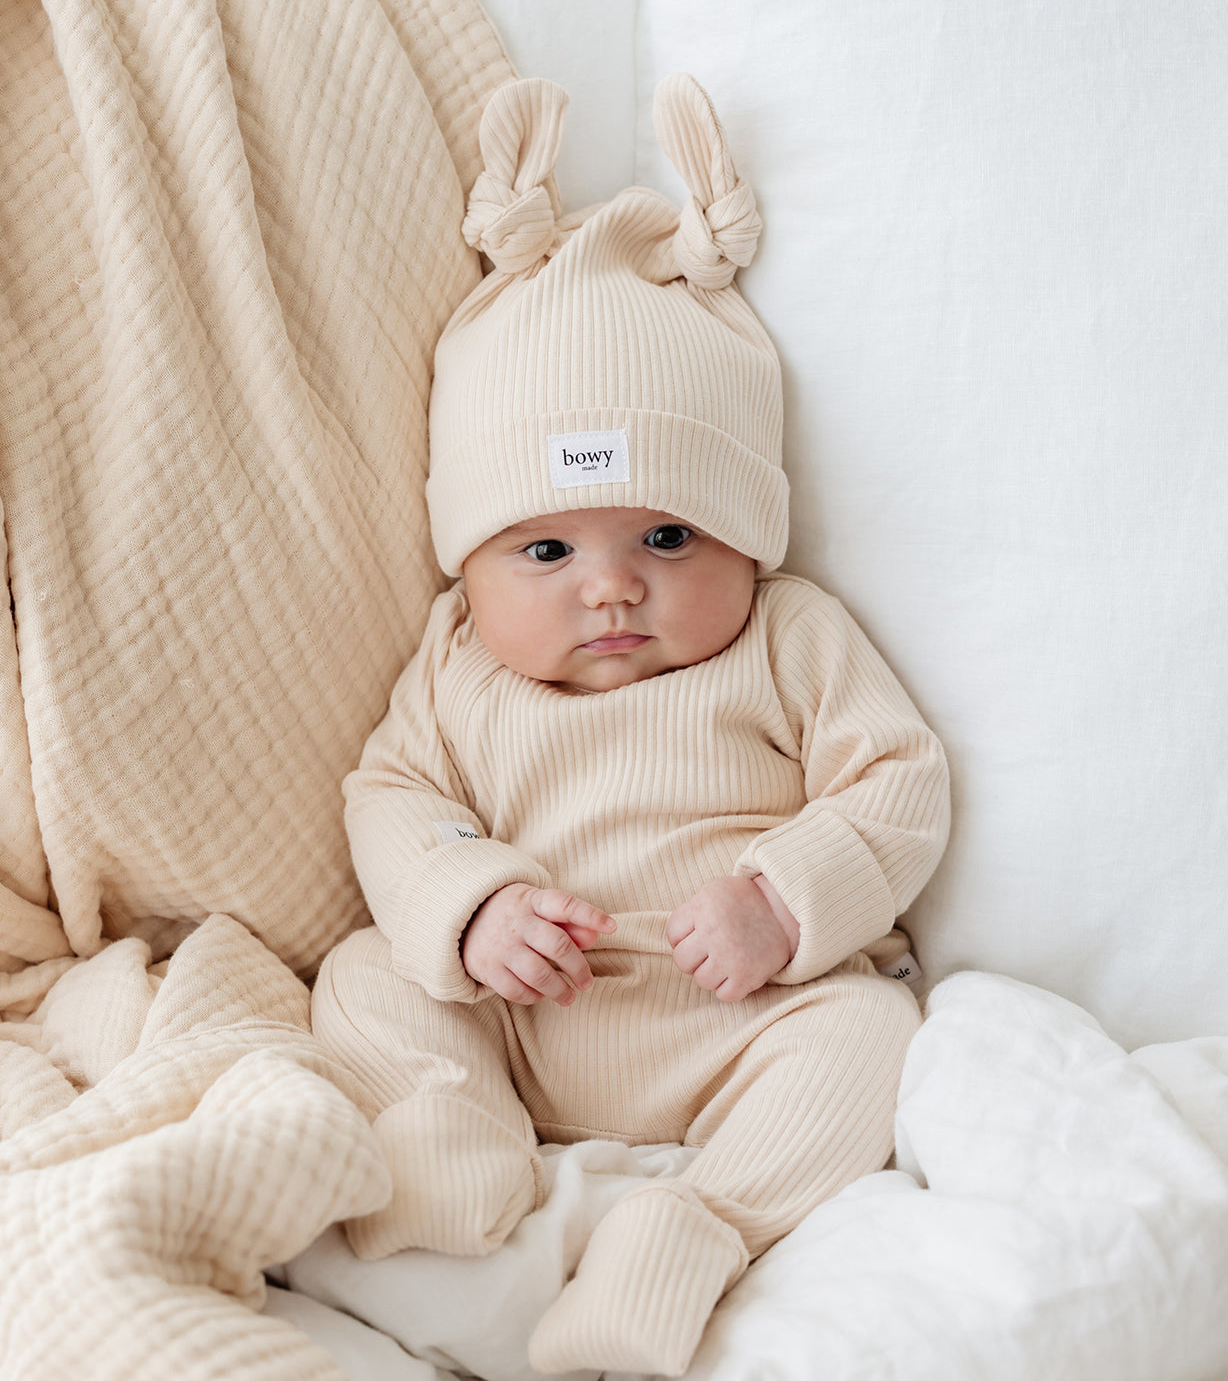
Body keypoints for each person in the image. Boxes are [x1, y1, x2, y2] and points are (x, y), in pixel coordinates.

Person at [311, 73, 950, 1377]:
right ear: (467, 566)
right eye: (544, 547)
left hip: (743, 1022)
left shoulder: (787, 638)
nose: (611, 586)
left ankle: (693, 1227)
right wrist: (473, 905)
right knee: (366, 976)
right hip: (519, 1018)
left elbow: (897, 780)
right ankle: (448, 1145)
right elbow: (389, 803)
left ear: (747, 534)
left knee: (875, 1038)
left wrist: (785, 896)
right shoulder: (456, 673)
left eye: (667, 534)